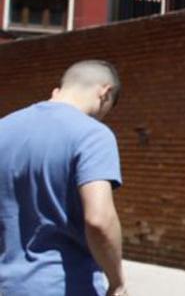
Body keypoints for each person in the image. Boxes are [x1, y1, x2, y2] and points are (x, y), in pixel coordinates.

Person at [0, 60, 127, 296]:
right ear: (105, 93)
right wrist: (116, 281)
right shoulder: (93, 135)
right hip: (65, 286)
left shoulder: (4, 128)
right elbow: (99, 220)